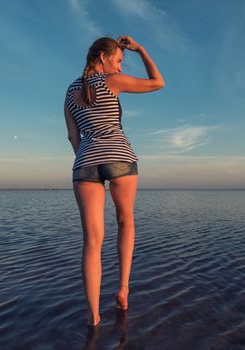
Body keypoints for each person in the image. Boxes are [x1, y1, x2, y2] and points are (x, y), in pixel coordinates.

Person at [63, 35, 164, 327]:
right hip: (119, 156)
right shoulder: (112, 83)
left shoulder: (70, 92)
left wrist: (87, 156)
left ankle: (93, 317)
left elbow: (73, 136)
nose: (120, 68)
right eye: (118, 60)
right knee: (126, 221)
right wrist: (141, 49)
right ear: (103, 57)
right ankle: (123, 289)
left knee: (92, 242)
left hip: (84, 164)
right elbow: (158, 82)